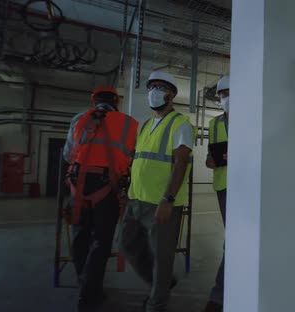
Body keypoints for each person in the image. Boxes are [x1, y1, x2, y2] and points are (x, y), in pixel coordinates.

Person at [119, 70, 194, 312]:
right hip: (136, 198)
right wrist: (127, 192)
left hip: (161, 203)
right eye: (151, 87)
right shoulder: (146, 125)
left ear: (171, 94)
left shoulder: (181, 124)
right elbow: (139, 160)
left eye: (160, 88)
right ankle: (162, 284)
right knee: (127, 244)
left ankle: (157, 303)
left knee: (162, 257)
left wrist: (168, 199)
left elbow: (181, 163)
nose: (154, 92)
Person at [63, 86, 138, 312]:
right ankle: (89, 293)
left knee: (80, 235)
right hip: (107, 187)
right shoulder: (129, 123)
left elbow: (68, 154)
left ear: (94, 101)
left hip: (78, 186)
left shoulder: (79, 119)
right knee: (101, 241)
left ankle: (83, 280)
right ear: (117, 102)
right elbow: (133, 156)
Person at [203, 75, 230, 312]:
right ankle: (220, 294)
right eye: (223, 94)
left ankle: (219, 295)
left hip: (247, 185)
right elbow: (211, 155)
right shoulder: (213, 124)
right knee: (232, 239)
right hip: (224, 186)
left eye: (230, 93)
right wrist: (211, 160)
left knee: (232, 241)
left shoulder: (251, 118)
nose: (226, 97)